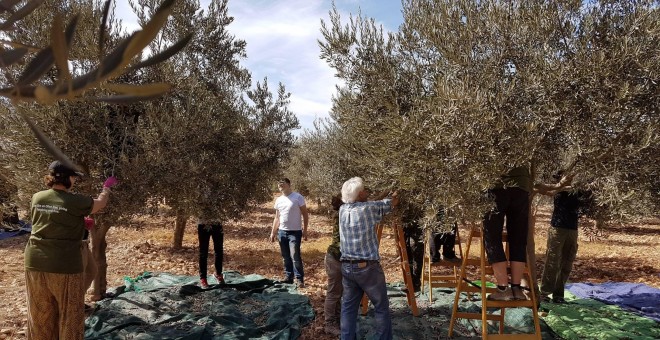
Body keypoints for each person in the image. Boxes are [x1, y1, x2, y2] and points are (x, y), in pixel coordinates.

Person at [25, 161, 116, 340]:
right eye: (74, 177)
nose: (74, 181)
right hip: (64, 264)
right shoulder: (75, 201)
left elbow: (52, 220)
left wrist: (77, 223)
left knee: (40, 314)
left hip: (35, 262)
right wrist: (106, 188)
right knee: (71, 316)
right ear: (67, 178)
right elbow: (101, 203)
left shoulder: (37, 197)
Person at [339, 177, 398, 340]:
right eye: (363, 190)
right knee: (381, 307)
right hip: (368, 269)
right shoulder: (368, 209)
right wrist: (397, 189)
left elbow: (371, 202)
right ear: (358, 195)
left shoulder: (342, 210)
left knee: (348, 308)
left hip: (347, 267)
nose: (366, 192)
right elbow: (392, 202)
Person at [536, 174, 590, 303]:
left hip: (572, 229)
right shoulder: (559, 190)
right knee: (552, 261)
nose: (569, 179)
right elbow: (544, 188)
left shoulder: (578, 190)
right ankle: (544, 293)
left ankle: (558, 294)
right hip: (558, 228)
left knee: (567, 262)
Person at [482, 166, 531, 301]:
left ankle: (503, 288)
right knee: (518, 238)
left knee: (491, 236)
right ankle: (516, 288)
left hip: (497, 183)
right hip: (521, 184)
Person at [269, 178, 309, 288]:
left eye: (283, 183)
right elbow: (277, 218)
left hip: (295, 232)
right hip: (282, 232)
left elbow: (305, 215)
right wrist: (273, 232)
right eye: (279, 184)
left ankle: (299, 279)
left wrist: (305, 230)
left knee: (295, 256)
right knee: (285, 256)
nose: (280, 185)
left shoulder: (298, 197)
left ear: (289, 184)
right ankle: (288, 277)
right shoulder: (278, 200)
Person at [324, 195, 343, 336]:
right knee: (334, 293)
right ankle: (329, 324)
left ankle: (337, 319)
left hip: (335, 258)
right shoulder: (342, 214)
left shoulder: (340, 213)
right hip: (335, 259)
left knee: (338, 292)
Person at [401, 202, 424, 293]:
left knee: (417, 251)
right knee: (407, 251)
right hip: (405, 221)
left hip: (418, 221)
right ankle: (410, 282)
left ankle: (415, 283)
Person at [197, 214, 224, 289]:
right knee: (203, 252)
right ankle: (203, 279)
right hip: (203, 224)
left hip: (217, 223)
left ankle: (218, 274)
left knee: (219, 250)